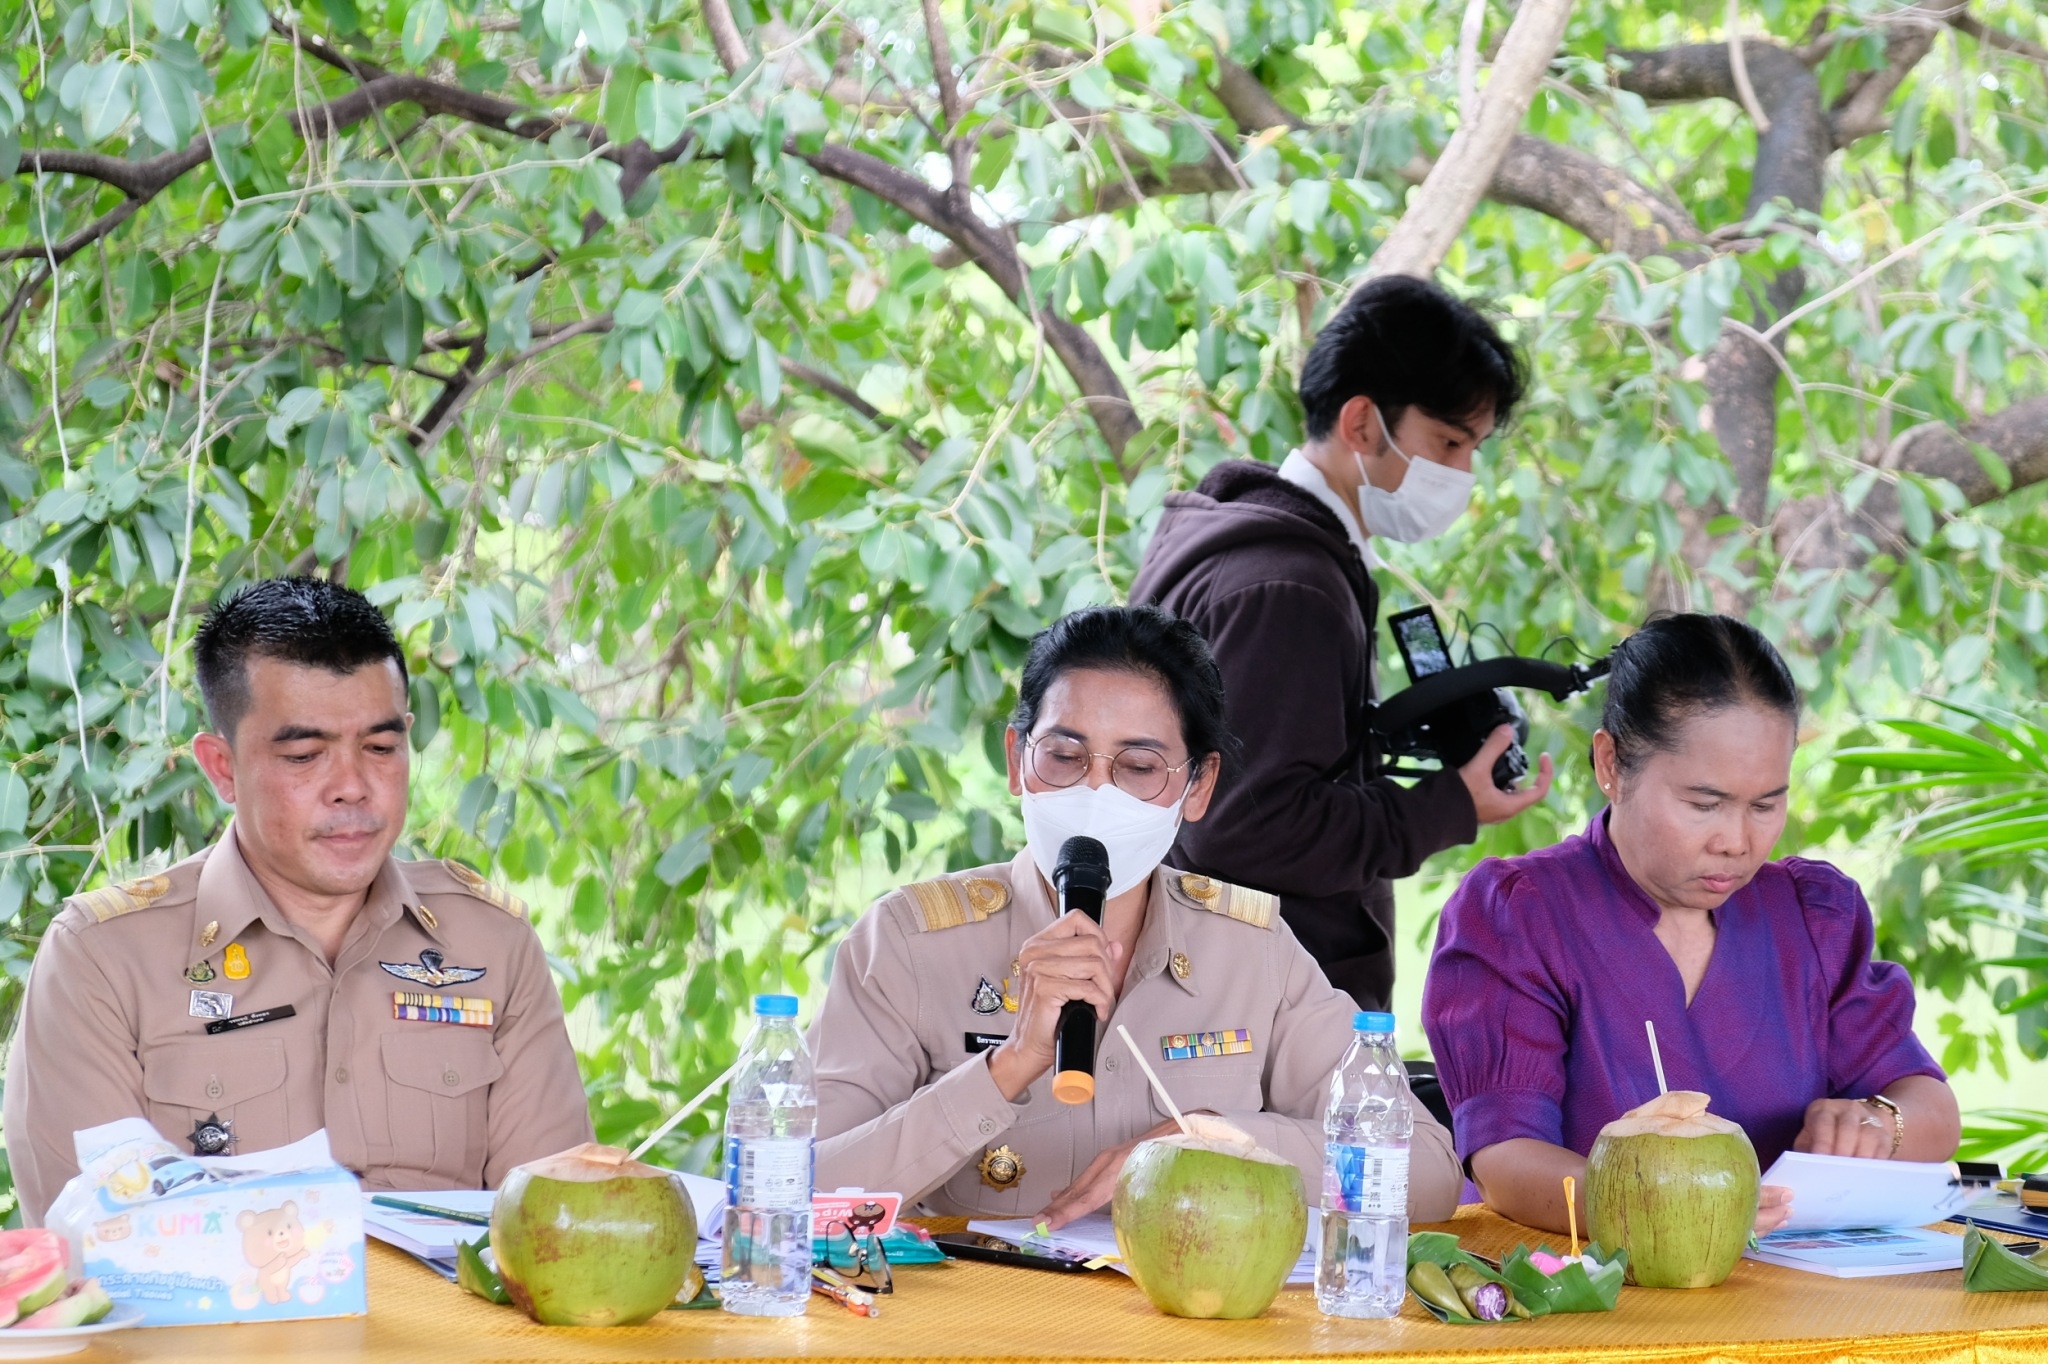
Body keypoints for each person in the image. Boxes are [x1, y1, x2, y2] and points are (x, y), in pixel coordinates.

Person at [811, 605, 1461, 1225]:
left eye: (1140, 766)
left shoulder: (1251, 950)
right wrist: (1007, 1066)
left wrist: (1213, 1138)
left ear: (1198, 786)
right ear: (1016, 761)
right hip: (979, 1334)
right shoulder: (908, 941)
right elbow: (803, 1187)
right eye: (1064, 757)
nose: (1096, 791)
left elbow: (1427, 1171)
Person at [4, 577, 593, 1226]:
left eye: (381, 747)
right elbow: (98, 1248)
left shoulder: (490, 945)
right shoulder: (103, 960)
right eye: (306, 755)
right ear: (222, 768)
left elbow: (555, 1228)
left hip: (452, 1327)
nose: (352, 787)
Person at [1421, 614, 1960, 1236]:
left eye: (1766, 804)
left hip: (1800, 1304)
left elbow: (1933, 1110)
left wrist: (1879, 1123)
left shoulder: (1813, 917)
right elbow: (1505, 1160)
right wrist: (1661, 1211)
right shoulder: (1521, 913)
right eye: (1704, 805)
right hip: (1596, 1305)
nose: (1736, 841)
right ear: (1611, 765)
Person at [1132, 275, 1547, 1012]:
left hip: (1217, 984)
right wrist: (1445, 806)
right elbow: (1244, 827)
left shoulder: (1247, 540)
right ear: (1361, 423)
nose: (1463, 474)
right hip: (1260, 1013)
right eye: (1449, 442)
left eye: (1474, 448)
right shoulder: (1288, 589)